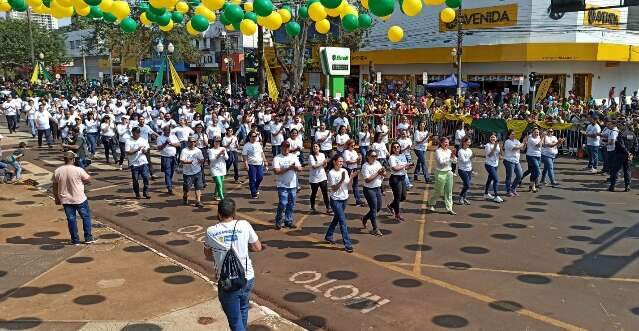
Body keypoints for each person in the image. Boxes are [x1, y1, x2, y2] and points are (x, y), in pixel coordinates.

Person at [203, 199, 262, 331]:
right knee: (243, 309)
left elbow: (207, 254)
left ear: (218, 214)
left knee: (235, 321)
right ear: (234, 213)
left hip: (227, 281)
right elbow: (257, 247)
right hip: (247, 277)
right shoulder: (244, 225)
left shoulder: (211, 231)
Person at [52, 151, 95, 245]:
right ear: (73, 159)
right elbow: (88, 179)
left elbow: (55, 186)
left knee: (71, 219)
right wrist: (82, 182)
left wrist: (56, 198)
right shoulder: (78, 170)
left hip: (66, 199)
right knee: (85, 217)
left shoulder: (57, 171)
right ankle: (88, 238)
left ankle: (75, 240)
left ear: (64, 159)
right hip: (79, 198)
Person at [324, 155, 354, 253]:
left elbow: (348, 184)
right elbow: (334, 188)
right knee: (342, 221)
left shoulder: (344, 171)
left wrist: (352, 177)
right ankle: (348, 244)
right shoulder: (331, 173)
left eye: (342, 162)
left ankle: (328, 235)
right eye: (339, 161)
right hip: (335, 200)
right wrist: (341, 180)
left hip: (344, 199)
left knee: (337, 218)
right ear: (334, 162)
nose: (341, 163)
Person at [272, 141, 302, 229]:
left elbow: (300, 169)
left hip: (293, 185)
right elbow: (276, 171)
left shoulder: (294, 157)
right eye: (284, 147)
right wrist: (289, 168)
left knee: (291, 204)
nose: (286, 149)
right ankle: (278, 220)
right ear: (281, 147)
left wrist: (296, 168)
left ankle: (288, 221)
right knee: (283, 203)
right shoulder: (277, 158)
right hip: (282, 184)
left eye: (288, 147)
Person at [427, 137, 456, 215]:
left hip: (449, 172)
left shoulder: (449, 151)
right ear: (441, 143)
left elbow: (455, 161)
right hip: (440, 172)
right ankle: (431, 203)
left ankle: (449, 208)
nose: (447, 144)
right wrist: (450, 157)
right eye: (445, 142)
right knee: (438, 191)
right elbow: (441, 162)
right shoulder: (438, 151)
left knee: (449, 191)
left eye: (448, 142)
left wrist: (453, 156)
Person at [361, 150, 386, 236]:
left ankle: (365, 218)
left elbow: (384, 174)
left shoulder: (378, 163)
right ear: (368, 156)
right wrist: (378, 173)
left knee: (378, 208)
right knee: (374, 209)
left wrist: (383, 173)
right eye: (372, 156)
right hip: (369, 189)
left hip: (377, 188)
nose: (374, 157)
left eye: (376, 156)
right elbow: (367, 180)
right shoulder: (365, 166)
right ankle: (375, 228)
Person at [387, 142, 413, 221]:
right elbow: (395, 168)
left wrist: (409, 167)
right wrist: (405, 165)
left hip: (402, 177)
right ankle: (397, 214)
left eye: (398, 147)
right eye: (394, 147)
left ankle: (391, 205)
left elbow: (404, 168)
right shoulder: (392, 157)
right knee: (397, 197)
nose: (396, 148)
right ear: (392, 149)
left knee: (403, 196)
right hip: (395, 178)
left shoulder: (402, 155)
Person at [609, 120, 636, 192]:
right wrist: (631, 154)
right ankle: (627, 186)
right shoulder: (632, 134)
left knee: (615, 170)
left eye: (620, 125)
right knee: (627, 170)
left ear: (623, 126)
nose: (619, 126)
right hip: (628, 155)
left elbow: (621, 145)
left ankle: (612, 186)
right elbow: (635, 145)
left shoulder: (621, 134)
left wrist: (628, 153)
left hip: (620, 154)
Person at [125, 127, 151, 199]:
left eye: (137, 133)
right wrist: (136, 150)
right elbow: (128, 152)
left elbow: (147, 148)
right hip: (134, 163)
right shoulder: (128, 141)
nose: (136, 134)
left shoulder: (143, 140)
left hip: (143, 162)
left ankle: (146, 192)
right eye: (135, 133)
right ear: (132, 133)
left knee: (146, 177)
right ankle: (137, 193)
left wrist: (145, 151)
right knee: (135, 180)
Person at [180, 135, 206, 208]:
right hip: (187, 173)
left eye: (194, 142)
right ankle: (185, 196)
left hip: (197, 171)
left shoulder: (198, 150)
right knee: (187, 188)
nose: (193, 143)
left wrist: (200, 161)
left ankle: (198, 201)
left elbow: (202, 159)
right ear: (188, 142)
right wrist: (189, 162)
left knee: (198, 187)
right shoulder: (184, 150)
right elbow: (181, 161)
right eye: (191, 142)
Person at [242, 132, 268, 199]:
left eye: (255, 136)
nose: (254, 138)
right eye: (252, 136)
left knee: (260, 177)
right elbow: (244, 156)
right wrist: (246, 164)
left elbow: (262, 153)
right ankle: (253, 193)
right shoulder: (246, 146)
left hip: (259, 163)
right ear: (249, 137)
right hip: (251, 164)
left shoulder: (258, 144)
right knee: (252, 179)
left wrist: (265, 161)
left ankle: (255, 188)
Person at [156, 125, 180, 194]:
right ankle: (169, 187)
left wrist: (171, 144)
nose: (168, 132)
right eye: (166, 131)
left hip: (173, 157)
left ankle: (169, 183)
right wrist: (165, 143)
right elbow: (159, 148)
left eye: (169, 131)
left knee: (172, 171)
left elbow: (179, 145)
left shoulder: (173, 136)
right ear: (164, 131)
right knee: (168, 172)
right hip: (165, 157)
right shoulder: (160, 138)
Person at [308, 143, 331, 215]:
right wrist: (323, 162)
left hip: (322, 177)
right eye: (314, 146)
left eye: (316, 146)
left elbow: (324, 165)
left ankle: (328, 208)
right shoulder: (311, 156)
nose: (315, 147)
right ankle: (312, 207)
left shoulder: (322, 155)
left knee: (325, 193)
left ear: (319, 148)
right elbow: (314, 166)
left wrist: (325, 163)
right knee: (314, 193)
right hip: (314, 178)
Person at [503, 130, 525, 197]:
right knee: (509, 176)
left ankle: (513, 188)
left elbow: (522, 149)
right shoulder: (507, 142)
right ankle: (508, 191)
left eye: (514, 134)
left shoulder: (517, 141)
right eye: (512, 134)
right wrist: (523, 142)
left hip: (516, 161)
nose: (513, 135)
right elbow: (516, 148)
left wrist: (525, 143)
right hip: (509, 161)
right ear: (508, 135)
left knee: (520, 175)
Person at [342, 140, 364, 206]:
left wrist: (359, 159)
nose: (353, 147)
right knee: (345, 183)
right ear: (348, 145)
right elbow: (347, 161)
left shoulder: (354, 151)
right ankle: (341, 199)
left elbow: (358, 161)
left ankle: (358, 200)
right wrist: (356, 161)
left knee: (355, 184)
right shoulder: (346, 152)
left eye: (354, 145)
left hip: (354, 168)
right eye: (352, 146)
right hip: (348, 169)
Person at [525, 128, 544, 192]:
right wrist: (543, 138)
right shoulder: (531, 139)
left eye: (537, 132)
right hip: (531, 156)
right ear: (532, 132)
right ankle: (532, 185)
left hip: (538, 156)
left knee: (533, 171)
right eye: (535, 132)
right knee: (538, 171)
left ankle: (532, 186)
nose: (537, 133)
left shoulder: (538, 137)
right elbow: (539, 145)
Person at [456, 137, 473, 205]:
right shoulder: (460, 151)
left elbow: (470, 161)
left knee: (465, 185)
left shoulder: (469, 150)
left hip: (469, 170)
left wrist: (472, 169)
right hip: (462, 170)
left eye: (470, 142)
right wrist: (471, 157)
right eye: (468, 142)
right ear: (464, 142)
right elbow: (464, 161)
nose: (469, 143)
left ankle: (464, 198)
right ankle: (460, 196)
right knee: (467, 185)